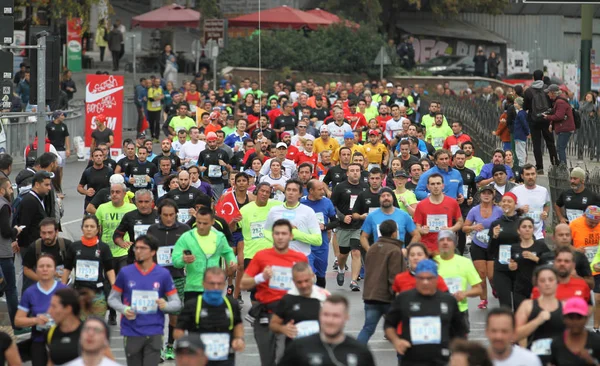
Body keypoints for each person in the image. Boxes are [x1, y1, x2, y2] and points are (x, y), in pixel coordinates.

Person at [240, 219, 308, 366]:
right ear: (272, 235)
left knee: (285, 359)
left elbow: (309, 287)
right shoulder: (261, 256)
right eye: (277, 233)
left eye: (284, 233)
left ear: (291, 236)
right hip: (266, 316)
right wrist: (261, 277)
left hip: (289, 316)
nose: (280, 237)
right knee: (268, 361)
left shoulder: (300, 258)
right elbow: (243, 283)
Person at [108, 235, 181, 366]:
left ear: (153, 252)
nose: (138, 251)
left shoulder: (163, 274)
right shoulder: (126, 273)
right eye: (136, 248)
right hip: (131, 331)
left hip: (154, 331)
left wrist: (166, 305)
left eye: (143, 248)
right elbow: (112, 299)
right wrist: (124, 309)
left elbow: (176, 303)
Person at [384, 259, 467, 366]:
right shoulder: (404, 298)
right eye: (421, 278)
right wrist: (396, 341)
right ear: (416, 278)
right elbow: (389, 324)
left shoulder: (448, 301)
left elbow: (460, 332)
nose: (425, 282)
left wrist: (459, 356)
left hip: (442, 360)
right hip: (411, 360)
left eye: (429, 278)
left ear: (437, 278)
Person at [277, 295, 376, 366]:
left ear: (346, 317)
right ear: (319, 316)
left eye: (336, 316)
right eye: (326, 315)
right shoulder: (298, 348)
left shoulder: (360, 351)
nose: (330, 320)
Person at [173, 266, 244, 365]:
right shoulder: (192, 305)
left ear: (224, 285)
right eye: (212, 283)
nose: (215, 287)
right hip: (200, 360)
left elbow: (238, 324)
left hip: (226, 359)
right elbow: (178, 332)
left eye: (219, 284)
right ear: (204, 284)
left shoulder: (232, 304)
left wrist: (239, 339)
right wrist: (189, 346)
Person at [357, 219, 405, 344]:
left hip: (370, 295)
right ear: (394, 233)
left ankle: (356, 352)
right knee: (400, 330)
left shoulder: (372, 248)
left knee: (368, 328)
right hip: (387, 297)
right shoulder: (395, 250)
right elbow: (394, 277)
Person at [173, 206, 236, 302]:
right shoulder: (187, 237)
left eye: (205, 223)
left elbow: (228, 252)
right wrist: (183, 259)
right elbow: (175, 260)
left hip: (213, 287)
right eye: (199, 222)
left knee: (211, 316)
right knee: (192, 316)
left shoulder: (219, 237)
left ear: (212, 222)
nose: (201, 226)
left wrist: (232, 261)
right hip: (192, 287)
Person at [15, 254, 67, 366]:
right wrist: (35, 320)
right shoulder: (30, 292)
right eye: (41, 266)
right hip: (39, 340)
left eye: (49, 266)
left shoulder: (64, 290)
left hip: (62, 340)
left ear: (55, 270)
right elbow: (18, 320)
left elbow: (76, 317)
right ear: (36, 270)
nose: (44, 269)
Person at [95, 182, 136, 324]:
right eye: (112, 192)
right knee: (108, 284)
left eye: (118, 192)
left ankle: (127, 312)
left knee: (124, 282)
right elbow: (97, 229)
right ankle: (112, 312)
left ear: (124, 194)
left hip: (125, 252)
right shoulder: (102, 208)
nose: (114, 194)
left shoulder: (131, 208)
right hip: (107, 252)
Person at [62, 215, 116, 319]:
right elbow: (67, 269)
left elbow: (109, 270)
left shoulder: (104, 247)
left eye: (92, 226)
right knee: (81, 327)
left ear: (98, 229)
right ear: (82, 228)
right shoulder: (74, 247)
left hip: (98, 294)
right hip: (79, 294)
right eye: (86, 226)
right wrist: (62, 288)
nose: (89, 229)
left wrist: (114, 287)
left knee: (97, 327)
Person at [47, 287, 114, 365]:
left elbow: (109, 361)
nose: (49, 310)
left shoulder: (89, 332)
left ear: (68, 309)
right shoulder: (52, 332)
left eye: (54, 306)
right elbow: (51, 362)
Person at [463, 185, 503, 309]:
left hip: (493, 245)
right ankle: (483, 299)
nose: (486, 195)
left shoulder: (499, 210)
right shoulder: (474, 210)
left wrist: (499, 231)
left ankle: (495, 288)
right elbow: (464, 228)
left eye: (489, 193)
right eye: (484, 193)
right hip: (478, 245)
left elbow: (506, 225)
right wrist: (473, 227)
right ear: (480, 195)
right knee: (481, 274)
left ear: (493, 196)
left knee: (491, 275)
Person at [269, 262, 329, 344]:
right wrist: (283, 329)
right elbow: (273, 324)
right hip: (294, 350)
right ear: (293, 281)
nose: (304, 285)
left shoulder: (324, 296)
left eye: (306, 281)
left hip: (320, 349)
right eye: (299, 282)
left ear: (312, 277)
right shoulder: (288, 298)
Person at [514, 266, 564, 364]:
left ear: (557, 282)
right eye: (542, 280)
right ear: (536, 283)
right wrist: (537, 321)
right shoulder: (527, 305)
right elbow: (515, 334)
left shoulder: (565, 306)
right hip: (535, 359)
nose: (547, 283)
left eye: (551, 279)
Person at [435, 230, 482, 333]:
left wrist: (464, 293)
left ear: (455, 244)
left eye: (449, 240)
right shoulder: (431, 262)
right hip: (436, 311)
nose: (445, 242)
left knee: (459, 347)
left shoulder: (465, 263)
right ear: (437, 244)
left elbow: (478, 289)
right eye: (442, 240)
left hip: (459, 310)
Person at [331, 163, 368, 291]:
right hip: (343, 226)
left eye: (357, 170)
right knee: (343, 254)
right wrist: (342, 217)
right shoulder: (340, 187)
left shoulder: (365, 187)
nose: (355, 173)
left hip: (359, 226)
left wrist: (365, 215)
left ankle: (353, 281)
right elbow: (332, 206)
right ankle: (341, 269)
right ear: (347, 173)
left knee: (356, 252)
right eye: (352, 170)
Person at [15, 171, 52, 294]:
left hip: (34, 247)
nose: (49, 188)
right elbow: (24, 226)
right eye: (46, 185)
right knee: (30, 282)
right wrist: (26, 246)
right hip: (31, 248)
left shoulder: (37, 199)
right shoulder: (30, 201)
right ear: (37, 184)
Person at [264, 179, 322, 256]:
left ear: (300, 194)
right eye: (288, 190)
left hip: (301, 258)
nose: (290, 193)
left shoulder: (308, 211)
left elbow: (318, 240)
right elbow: (266, 232)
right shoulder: (274, 210)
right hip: (279, 257)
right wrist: (279, 239)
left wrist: (295, 233)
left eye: (294, 190)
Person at [300, 179, 339, 288]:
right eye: (320, 189)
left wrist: (325, 226)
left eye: (323, 189)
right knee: (309, 273)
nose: (323, 192)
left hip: (321, 245)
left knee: (321, 276)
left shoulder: (327, 202)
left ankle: (320, 299)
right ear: (311, 191)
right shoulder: (301, 203)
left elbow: (336, 222)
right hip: (305, 245)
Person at [413, 173, 463, 253]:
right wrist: (422, 230)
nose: (435, 186)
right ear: (428, 187)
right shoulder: (421, 205)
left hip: (446, 247)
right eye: (432, 184)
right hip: (427, 248)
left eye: (438, 183)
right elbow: (416, 226)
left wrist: (450, 229)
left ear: (443, 186)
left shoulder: (452, 203)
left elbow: (460, 222)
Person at [487, 192, 521, 309]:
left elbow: (530, 244)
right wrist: (494, 237)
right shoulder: (496, 223)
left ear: (515, 205)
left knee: (519, 304)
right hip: (501, 268)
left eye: (509, 201)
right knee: (505, 304)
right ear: (500, 204)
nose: (506, 203)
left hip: (519, 268)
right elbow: (490, 251)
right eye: (504, 201)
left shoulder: (522, 223)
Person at [509, 217, 550, 310]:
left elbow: (550, 263)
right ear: (519, 231)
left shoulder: (541, 246)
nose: (527, 229)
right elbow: (512, 266)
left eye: (530, 227)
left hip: (538, 287)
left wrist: (536, 259)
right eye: (524, 227)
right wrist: (511, 267)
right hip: (520, 288)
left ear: (533, 230)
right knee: (520, 318)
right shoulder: (514, 247)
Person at [523, 70, 559, 174]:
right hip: (546, 119)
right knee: (550, 142)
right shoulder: (547, 88)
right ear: (542, 77)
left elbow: (525, 107)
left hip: (534, 120)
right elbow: (552, 103)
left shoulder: (528, 91)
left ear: (533, 78)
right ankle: (555, 164)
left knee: (537, 144)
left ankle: (539, 167)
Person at [549, 297, 600, 365]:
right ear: (564, 319)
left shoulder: (596, 341)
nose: (575, 321)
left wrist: (592, 362)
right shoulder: (556, 343)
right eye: (571, 317)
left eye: (579, 317)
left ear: (586, 319)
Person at [22, 217, 71, 284]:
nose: (47, 236)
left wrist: (66, 273)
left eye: (50, 232)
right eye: (44, 233)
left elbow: (77, 263)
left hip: (63, 286)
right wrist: (42, 279)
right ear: (40, 233)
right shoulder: (35, 247)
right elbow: (26, 269)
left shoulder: (66, 245)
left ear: (56, 232)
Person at [0, 177, 20, 328]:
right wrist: (16, 231)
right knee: (10, 289)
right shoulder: (4, 206)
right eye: (9, 188)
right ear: (2, 190)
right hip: (4, 253)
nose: (12, 190)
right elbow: (6, 231)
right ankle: (16, 323)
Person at [510, 164, 550, 240]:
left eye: (533, 174)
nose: (530, 177)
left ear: (536, 175)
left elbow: (547, 203)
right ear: (522, 176)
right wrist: (519, 210)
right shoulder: (515, 191)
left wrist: (545, 213)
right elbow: (508, 209)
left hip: (538, 235)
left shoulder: (543, 191)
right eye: (527, 174)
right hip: (520, 235)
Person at [544, 84, 576, 165]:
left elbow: (559, 116)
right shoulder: (559, 101)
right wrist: (551, 124)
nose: (547, 94)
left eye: (548, 92)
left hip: (565, 128)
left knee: (560, 148)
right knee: (560, 148)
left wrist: (547, 117)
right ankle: (562, 166)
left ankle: (563, 167)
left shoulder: (560, 102)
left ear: (553, 93)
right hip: (564, 128)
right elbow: (557, 114)